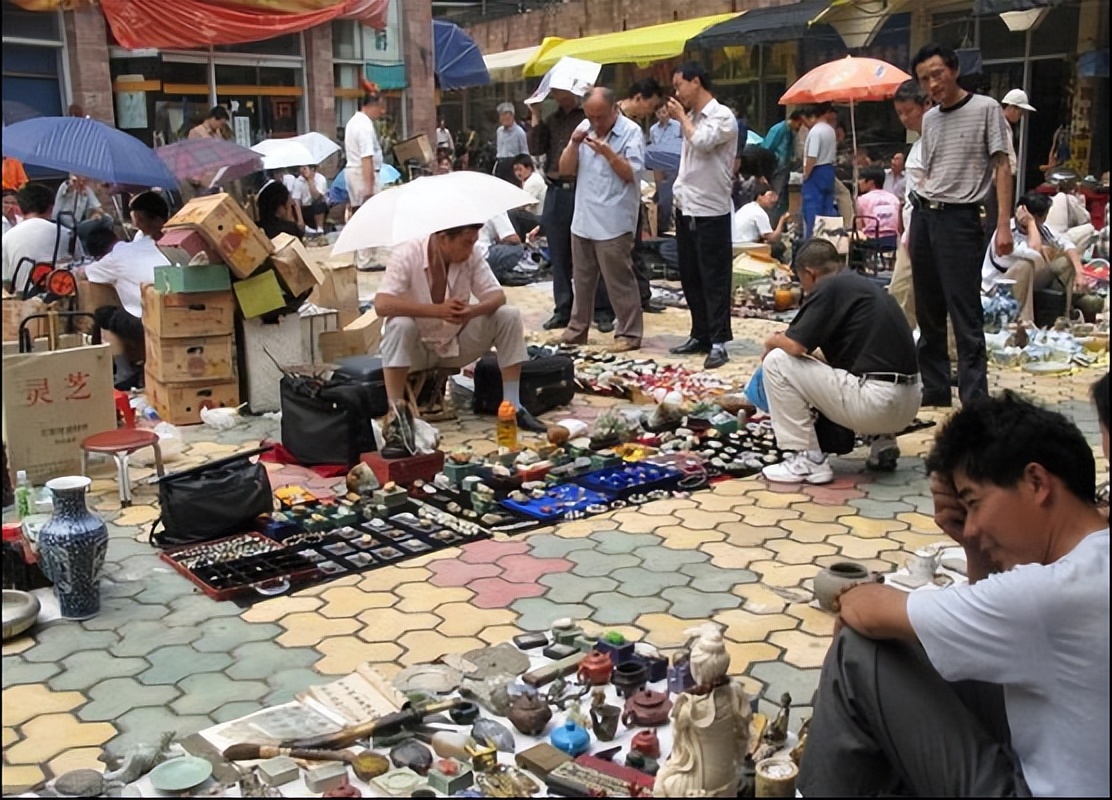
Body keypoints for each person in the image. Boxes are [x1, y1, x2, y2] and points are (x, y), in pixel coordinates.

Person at [799, 392, 1109, 797]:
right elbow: (988, 631)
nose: (974, 526)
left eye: (974, 503)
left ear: (1036, 482)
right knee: (934, 655)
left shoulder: (1048, 595)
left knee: (862, 654)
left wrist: (856, 607)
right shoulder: (1093, 560)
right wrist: (976, 551)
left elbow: (867, 609)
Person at [373, 224, 548, 456]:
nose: (471, 248)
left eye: (474, 241)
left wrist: (472, 311)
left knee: (508, 315)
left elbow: (497, 295)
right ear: (443, 238)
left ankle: (512, 404)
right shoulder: (407, 254)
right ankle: (395, 415)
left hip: (454, 342)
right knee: (399, 324)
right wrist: (436, 310)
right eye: (466, 242)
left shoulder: (470, 254)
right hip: (415, 349)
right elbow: (382, 304)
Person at [760, 239, 920, 484]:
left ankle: (808, 461)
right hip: (908, 405)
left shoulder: (829, 286)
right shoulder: (864, 286)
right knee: (845, 364)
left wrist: (771, 341)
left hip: (876, 404)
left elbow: (794, 346)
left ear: (810, 274)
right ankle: (883, 442)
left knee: (777, 362)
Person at [911, 42, 1013, 408]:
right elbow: (930, 167)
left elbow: (1003, 167)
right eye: (924, 79)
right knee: (928, 307)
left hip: (960, 219)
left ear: (953, 69)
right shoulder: (931, 118)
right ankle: (936, 388)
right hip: (924, 215)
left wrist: (1004, 224)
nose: (932, 84)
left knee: (964, 310)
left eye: (937, 74)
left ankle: (975, 399)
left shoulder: (987, 109)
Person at [556, 87, 645, 354]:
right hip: (583, 216)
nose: (596, 122)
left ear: (614, 109)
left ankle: (629, 332)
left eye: (601, 117)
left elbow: (631, 173)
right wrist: (573, 143)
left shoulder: (631, 132)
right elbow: (565, 170)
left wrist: (608, 153)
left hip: (615, 219)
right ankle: (576, 329)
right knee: (581, 280)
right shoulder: (584, 128)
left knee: (619, 279)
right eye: (590, 116)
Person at [666, 62, 739, 370]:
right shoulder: (693, 117)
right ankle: (700, 334)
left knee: (714, 278)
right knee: (691, 275)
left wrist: (681, 118)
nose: (677, 92)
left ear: (696, 82)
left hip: (712, 210)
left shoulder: (722, 116)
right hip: (687, 207)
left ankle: (719, 341)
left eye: (680, 85)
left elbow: (703, 143)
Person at [529, 87, 614, 333]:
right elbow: (536, 149)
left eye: (560, 90)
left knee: (592, 251)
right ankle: (563, 308)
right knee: (558, 250)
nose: (557, 95)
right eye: (553, 91)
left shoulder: (586, 119)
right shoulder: (552, 120)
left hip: (582, 188)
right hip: (556, 188)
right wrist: (535, 116)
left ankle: (601, 310)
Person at [982, 193, 1081, 325]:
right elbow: (1034, 251)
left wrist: (1080, 272)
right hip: (998, 285)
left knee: (1066, 262)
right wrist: (1031, 223)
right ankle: (1025, 321)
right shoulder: (1007, 232)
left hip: (1027, 280)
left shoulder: (1040, 229)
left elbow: (1067, 244)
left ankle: (1064, 317)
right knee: (1025, 265)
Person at [888, 79, 930, 331]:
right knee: (904, 293)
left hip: (925, 229)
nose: (904, 119)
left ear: (926, 105)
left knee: (904, 292)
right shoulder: (916, 146)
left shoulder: (936, 142)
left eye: (908, 112)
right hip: (912, 229)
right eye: (899, 113)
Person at [2, 183, 72, 292]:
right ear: (51, 208)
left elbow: (6, 280)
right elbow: (79, 265)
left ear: (19, 208)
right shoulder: (67, 234)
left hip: (21, 302)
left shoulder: (7, 237)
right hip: (61, 299)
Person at [344, 92, 385, 269]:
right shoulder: (364, 127)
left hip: (354, 172)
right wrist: (369, 187)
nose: (382, 112)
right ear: (372, 105)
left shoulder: (354, 122)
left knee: (359, 214)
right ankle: (365, 259)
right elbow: (366, 157)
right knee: (368, 216)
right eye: (380, 107)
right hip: (362, 173)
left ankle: (362, 256)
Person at [801, 103, 838, 238]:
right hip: (829, 169)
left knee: (812, 211)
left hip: (816, 171)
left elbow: (812, 156)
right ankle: (829, 238)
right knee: (827, 209)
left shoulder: (816, 132)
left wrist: (806, 174)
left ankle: (812, 240)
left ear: (812, 117)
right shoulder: (830, 130)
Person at [761, 109, 805, 223]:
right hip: (776, 167)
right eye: (799, 124)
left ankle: (781, 222)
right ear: (795, 120)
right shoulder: (779, 129)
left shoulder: (791, 133)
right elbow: (767, 148)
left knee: (783, 198)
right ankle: (771, 223)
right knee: (775, 197)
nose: (799, 127)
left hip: (785, 168)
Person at [53, 173, 112, 254]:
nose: (83, 183)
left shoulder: (87, 190)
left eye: (85, 180)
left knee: (107, 219)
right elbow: (67, 188)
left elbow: (97, 207)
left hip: (77, 225)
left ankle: (105, 248)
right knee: (81, 235)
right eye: (81, 180)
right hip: (62, 226)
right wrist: (73, 183)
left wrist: (97, 213)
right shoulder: (65, 186)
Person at [649, 103, 683, 234]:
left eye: (664, 112)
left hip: (674, 163)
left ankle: (674, 224)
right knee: (662, 195)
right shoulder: (653, 130)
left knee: (674, 193)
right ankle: (662, 226)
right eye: (659, 113)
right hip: (659, 164)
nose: (661, 115)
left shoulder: (677, 126)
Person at [732, 183, 789, 260]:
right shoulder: (759, 213)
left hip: (735, 243)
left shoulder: (748, 207)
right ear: (759, 197)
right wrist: (782, 220)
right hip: (743, 245)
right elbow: (773, 238)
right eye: (770, 196)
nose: (773, 200)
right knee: (778, 247)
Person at [855, 165, 902, 251]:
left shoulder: (862, 200)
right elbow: (899, 225)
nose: (858, 182)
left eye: (861, 179)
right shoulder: (894, 198)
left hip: (872, 240)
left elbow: (859, 226)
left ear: (871, 183)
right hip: (894, 240)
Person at [1045, 170, 1095, 250]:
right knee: (1090, 228)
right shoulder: (1070, 198)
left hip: (1045, 236)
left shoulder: (1049, 199)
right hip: (1058, 240)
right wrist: (1080, 203)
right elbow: (1084, 219)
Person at [509, 154, 546, 237]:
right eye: (515, 170)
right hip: (537, 217)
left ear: (529, 168)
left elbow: (522, 205)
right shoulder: (527, 181)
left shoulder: (533, 181)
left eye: (520, 169)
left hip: (540, 218)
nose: (518, 173)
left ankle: (517, 240)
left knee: (513, 213)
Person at [494, 102, 529, 185]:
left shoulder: (520, 132)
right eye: (502, 116)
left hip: (513, 165)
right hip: (500, 163)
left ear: (512, 117)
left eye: (507, 117)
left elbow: (524, 152)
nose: (504, 119)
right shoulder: (499, 131)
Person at [293, 164, 329, 236]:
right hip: (305, 208)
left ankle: (320, 229)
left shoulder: (320, 179)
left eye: (304, 168)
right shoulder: (298, 181)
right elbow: (296, 200)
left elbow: (317, 196)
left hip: (319, 208)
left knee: (318, 201)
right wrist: (300, 219)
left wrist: (310, 180)